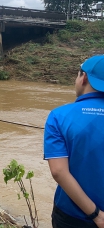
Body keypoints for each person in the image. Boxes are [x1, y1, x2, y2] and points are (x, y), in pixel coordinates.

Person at [44, 55, 104, 228]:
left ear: (84, 78)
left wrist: (97, 216)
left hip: (72, 216)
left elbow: (58, 172)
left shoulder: (59, 116)